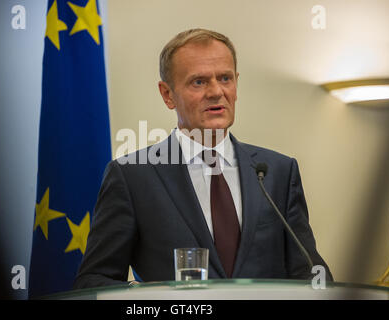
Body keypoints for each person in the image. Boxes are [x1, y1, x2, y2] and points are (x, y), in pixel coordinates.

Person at [73, 28, 333, 288]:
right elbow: (94, 280)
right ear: (167, 94)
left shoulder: (278, 171)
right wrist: (145, 299)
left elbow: (310, 272)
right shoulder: (132, 175)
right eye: (199, 82)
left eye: (225, 78)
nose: (216, 91)